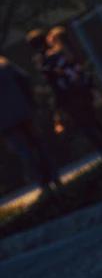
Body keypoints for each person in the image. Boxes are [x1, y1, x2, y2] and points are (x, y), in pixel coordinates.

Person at [28, 26, 102, 159]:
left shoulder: (45, 60)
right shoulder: (60, 51)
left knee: (85, 126)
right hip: (80, 90)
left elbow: (51, 81)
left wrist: (57, 104)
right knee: (95, 121)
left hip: (67, 95)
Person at [0, 52, 61, 191]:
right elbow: (25, 79)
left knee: (23, 151)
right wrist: (30, 101)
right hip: (23, 111)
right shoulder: (4, 65)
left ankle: (42, 182)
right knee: (39, 144)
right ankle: (54, 176)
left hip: (5, 122)